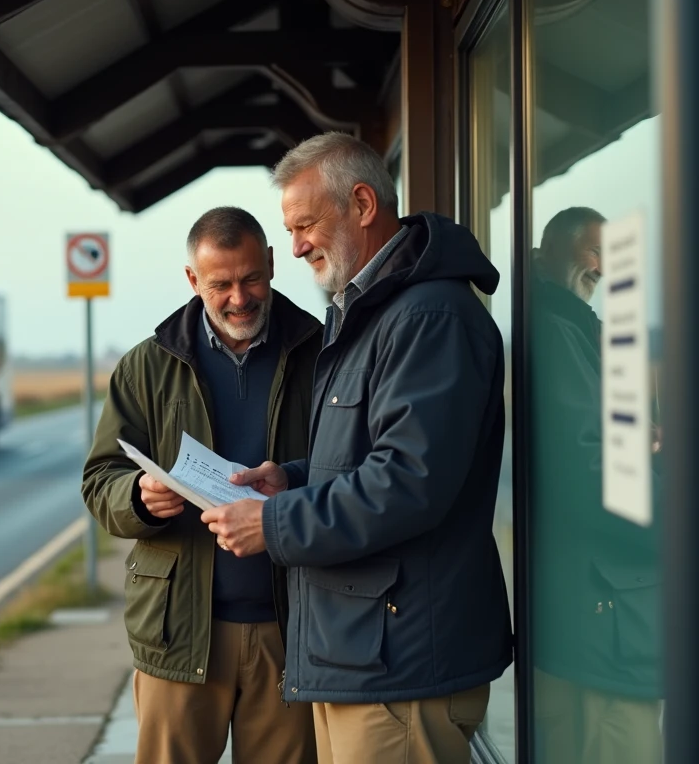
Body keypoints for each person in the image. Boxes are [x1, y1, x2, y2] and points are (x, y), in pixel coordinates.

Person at [201, 132, 513, 764]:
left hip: (399, 667)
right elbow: (364, 460)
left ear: (363, 204)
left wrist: (274, 522)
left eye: (306, 224)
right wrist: (289, 481)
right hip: (366, 656)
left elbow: (407, 482)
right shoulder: (372, 312)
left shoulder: (428, 317)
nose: (296, 247)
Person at [82, 206, 322, 764]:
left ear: (270, 262)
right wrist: (138, 497)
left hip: (293, 629)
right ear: (193, 281)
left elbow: (354, 466)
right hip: (179, 633)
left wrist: (293, 480)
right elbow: (99, 482)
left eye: (251, 278)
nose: (240, 298)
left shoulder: (323, 354)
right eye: (221, 284)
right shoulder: (144, 366)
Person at [529, 207, 664, 764]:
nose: (603, 268)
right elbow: (592, 474)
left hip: (596, 611)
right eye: (593, 251)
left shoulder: (574, 327)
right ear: (545, 254)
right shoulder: (558, 332)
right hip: (602, 617)